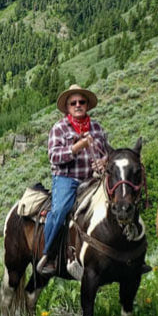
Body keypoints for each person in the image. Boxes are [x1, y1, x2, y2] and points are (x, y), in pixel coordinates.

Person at [36, 85, 110, 275]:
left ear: (87, 105)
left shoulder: (97, 128)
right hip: (66, 179)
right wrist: (77, 147)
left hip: (92, 179)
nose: (78, 105)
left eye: (81, 102)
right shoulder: (59, 128)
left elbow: (108, 152)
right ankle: (49, 254)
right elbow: (54, 156)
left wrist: (104, 162)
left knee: (119, 202)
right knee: (59, 211)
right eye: (73, 103)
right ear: (67, 107)